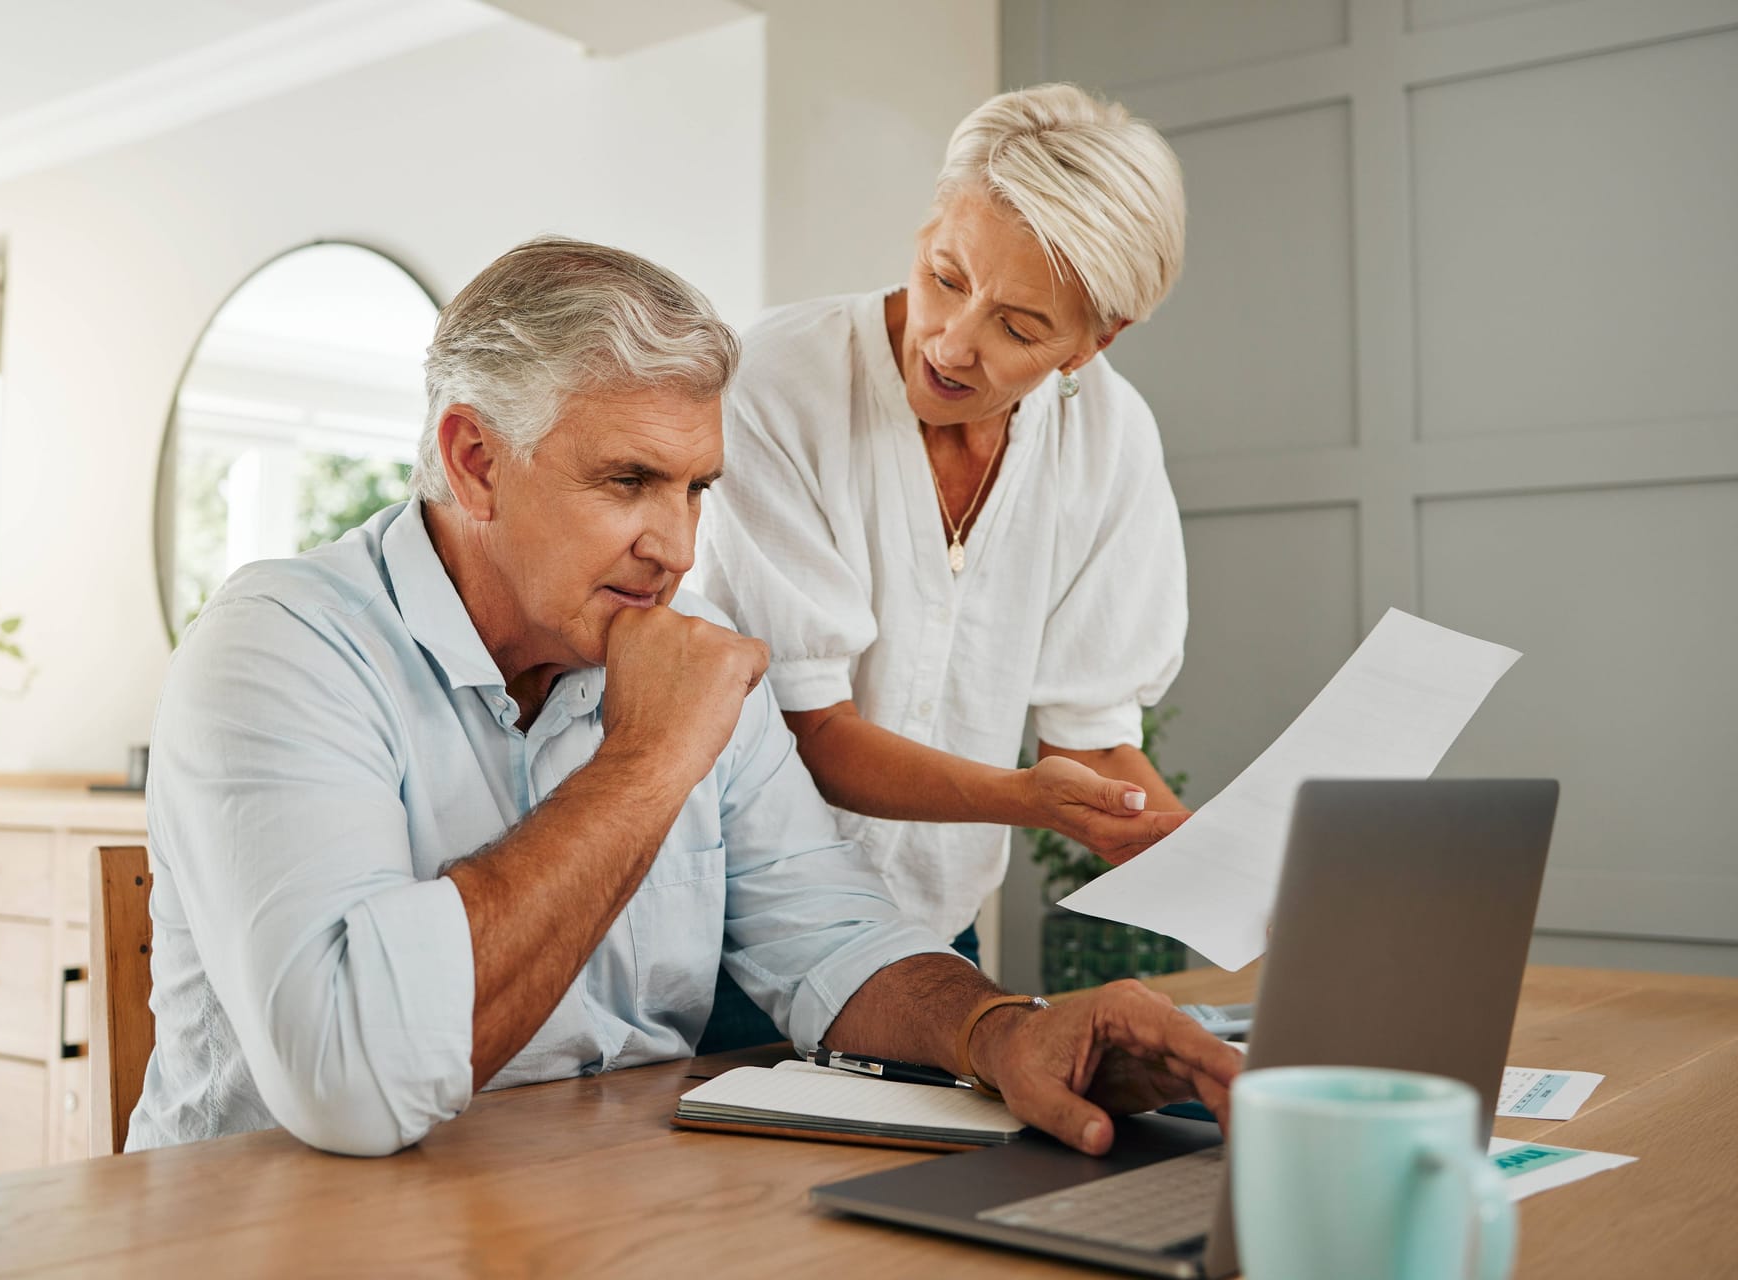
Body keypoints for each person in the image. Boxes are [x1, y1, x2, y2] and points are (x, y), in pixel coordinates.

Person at [129, 236, 1238, 1160]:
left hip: (591, 1206)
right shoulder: (280, 644)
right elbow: (350, 1083)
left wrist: (1002, 1029)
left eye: (698, 487)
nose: (676, 545)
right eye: (627, 482)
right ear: (473, 459)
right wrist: (645, 762)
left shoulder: (684, 656)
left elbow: (830, 935)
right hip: (268, 1229)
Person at [695, 85, 1193, 1039]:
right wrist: (1024, 802)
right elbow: (814, 733)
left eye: (1020, 327)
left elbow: (1088, 741)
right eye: (946, 275)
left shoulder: (1109, 438)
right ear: (929, 225)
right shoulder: (779, 383)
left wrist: (1231, 874)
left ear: (1098, 341)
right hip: (735, 943)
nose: (952, 344)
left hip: (932, 950)